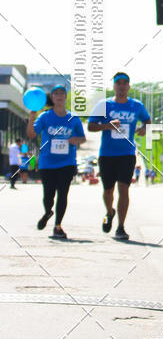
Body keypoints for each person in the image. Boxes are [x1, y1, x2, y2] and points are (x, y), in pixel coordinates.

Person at [88, 73, 150, 240]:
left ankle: (121, 227)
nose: (121, 86)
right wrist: (108, 126)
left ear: (129, 87)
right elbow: (91, 126)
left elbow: (148, 120)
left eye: (125, 83)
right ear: (114, 86)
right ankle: (110, 212)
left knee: (124, 189)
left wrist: (144, 129)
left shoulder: (136, 106)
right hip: (107, 154)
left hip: (127, 154)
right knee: (108, 191)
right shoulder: (104, 105)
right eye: (118, 83)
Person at [26, 85, 86, 238]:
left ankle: (58, 225)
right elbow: (32, 134)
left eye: (62, 93)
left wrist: (75, 140)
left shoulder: (73, 118)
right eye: (56, 93)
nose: (59, 96)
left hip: (67, 161)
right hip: (47, 161)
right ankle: (48, 212)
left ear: (65, 97)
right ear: (52, 98)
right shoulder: (45, 117)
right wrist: (32, 117)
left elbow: (83, 138)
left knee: (63, 193)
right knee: (48, 195)